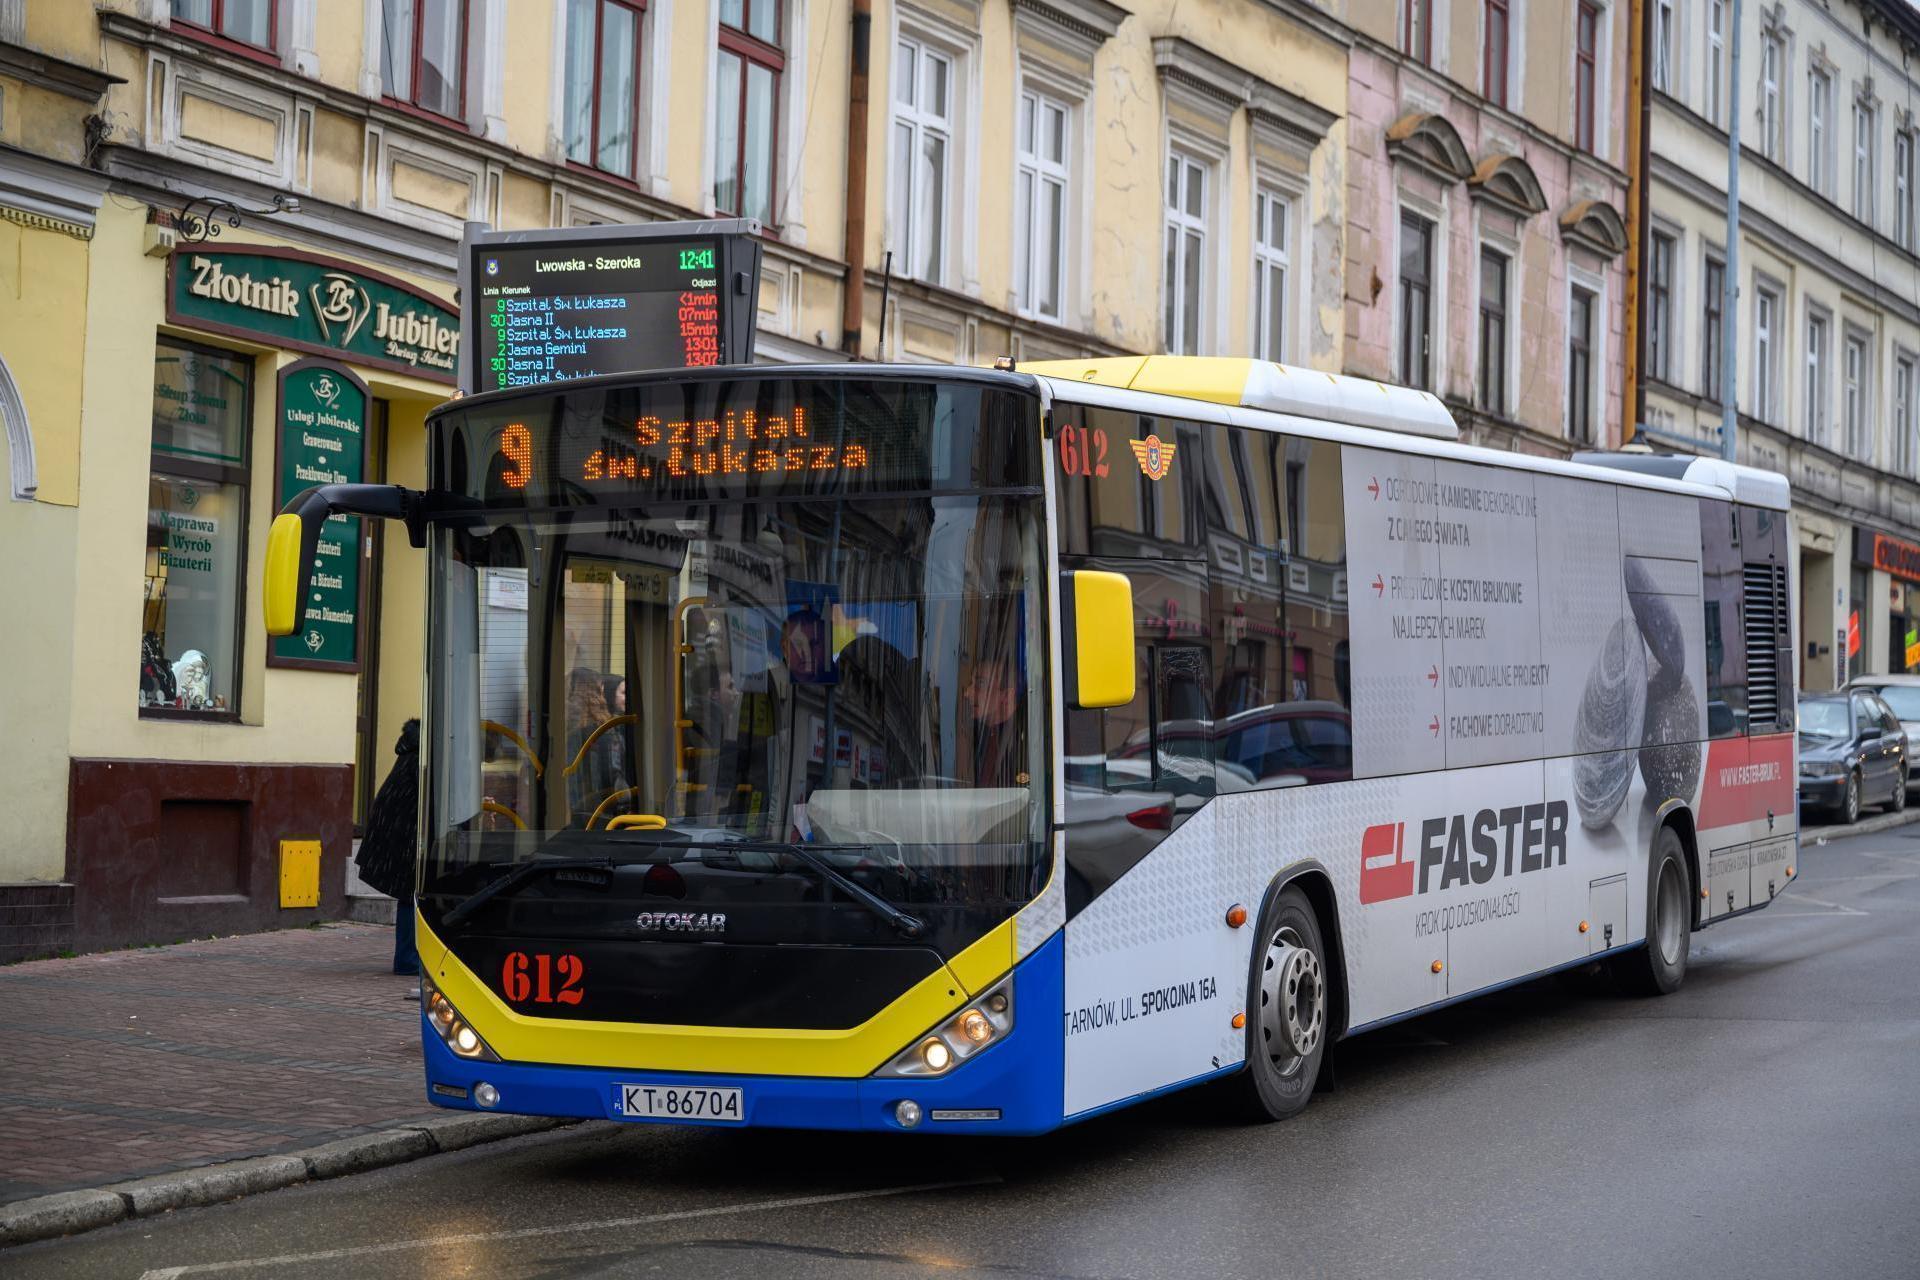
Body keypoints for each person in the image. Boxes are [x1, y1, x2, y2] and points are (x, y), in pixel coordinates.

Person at [355, 719, 421, 986]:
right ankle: (407, 959)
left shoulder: (410, 752)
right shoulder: (419, 758)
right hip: (402, 834)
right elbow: (431, 796)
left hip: (395, 832)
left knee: (410, 893)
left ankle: (407, 958)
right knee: (411, 893)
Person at [963, 654, 1028, 787]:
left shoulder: (1033, 741)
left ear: (1007, 696)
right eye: (971, 683)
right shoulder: (968, 734)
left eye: (980, 683)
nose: (967, 693)